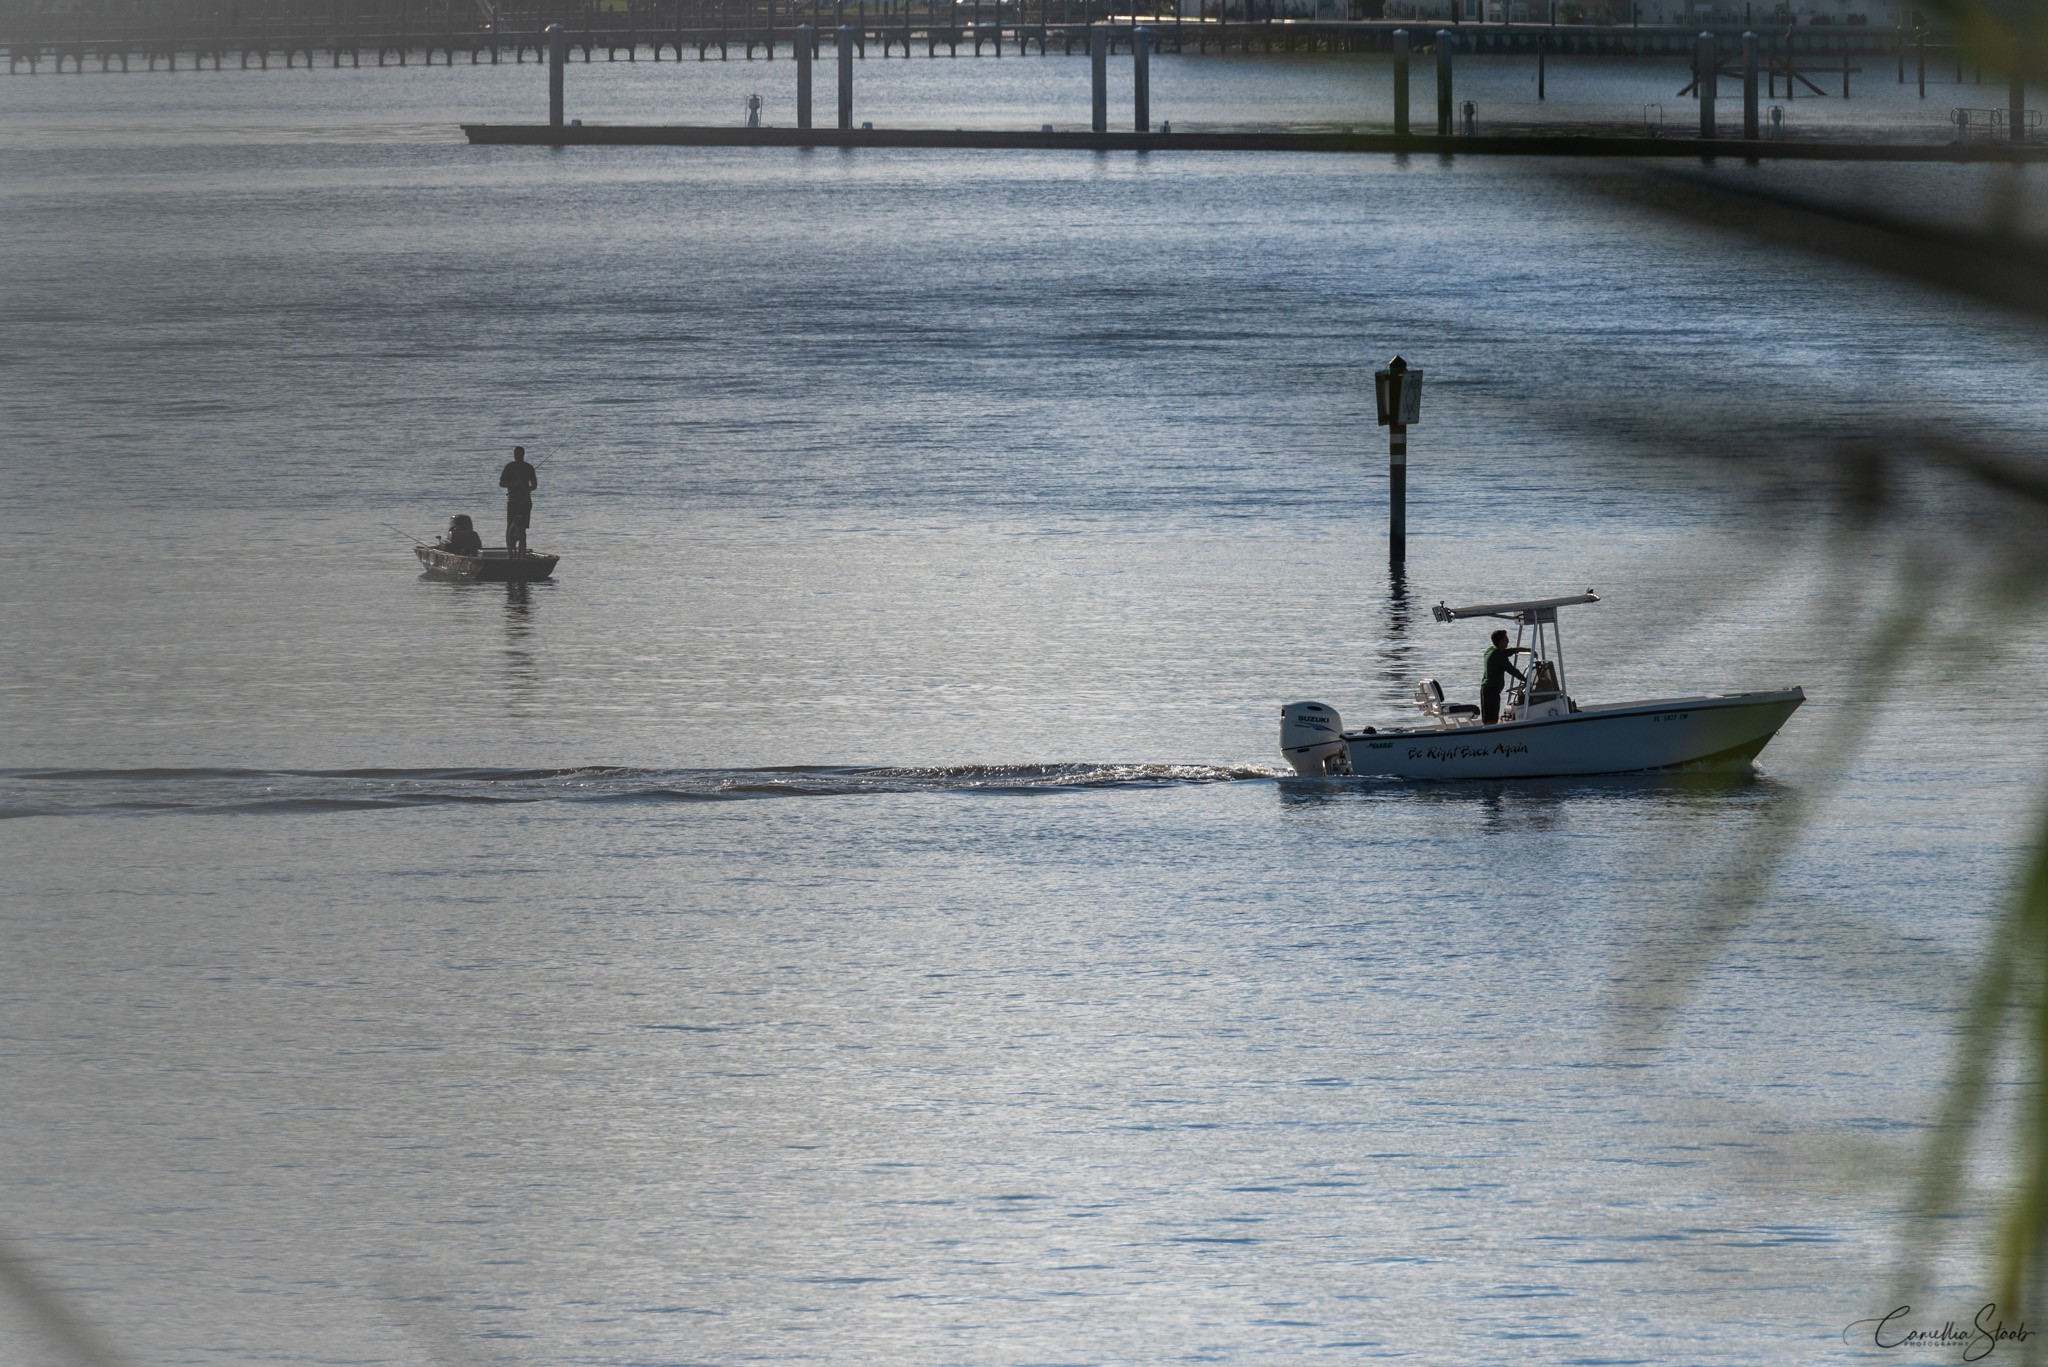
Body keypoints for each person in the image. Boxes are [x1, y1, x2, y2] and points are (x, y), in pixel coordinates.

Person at [1480, 628, 1529, 726]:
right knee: (1491, 720)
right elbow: (1512, 670)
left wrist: (1527, 650)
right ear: (1501, 641)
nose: (1508, 641)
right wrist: (1526, 680)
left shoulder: (1491, 650)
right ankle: (1490, 739)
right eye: (1506, 639)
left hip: (1486, 689)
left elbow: (1508, 652)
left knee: (1490, 718)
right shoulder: (1498, 655)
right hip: (1491, 691)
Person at [499, 446, 538, 555]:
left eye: (518, 454)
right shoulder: (509, 467)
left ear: (523, 454)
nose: (516, 456)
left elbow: (535, 485)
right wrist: (514, 484)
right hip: (512, 501)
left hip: (525, 502)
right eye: (515, 454)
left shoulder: (529, 468)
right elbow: (501, 483)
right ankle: (510, 552)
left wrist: (529, 489)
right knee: (510, 526)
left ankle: (522, 553)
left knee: (523, 528)